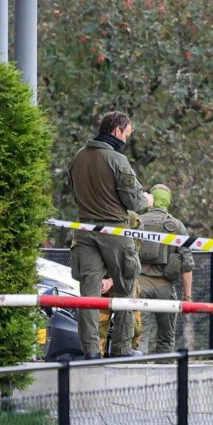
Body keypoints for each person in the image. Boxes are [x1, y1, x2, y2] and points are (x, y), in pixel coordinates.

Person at [68, 111, 152, 359]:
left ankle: (91, 351)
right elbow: (134, 200)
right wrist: (146, 199)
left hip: (84, 230)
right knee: (126, 288)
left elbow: (75, 194)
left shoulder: (78, 157)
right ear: (116, 131)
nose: (127, 139)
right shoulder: (117, 160)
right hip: (115, 230)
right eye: (127, 134)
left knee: (88, 294)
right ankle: (122, 348)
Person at [138, 184, 193, 355]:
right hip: (165, 288)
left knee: (140, 335)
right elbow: (187, 263)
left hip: (139, 285)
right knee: (166, 337)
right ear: (167, 201)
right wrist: (187, 296)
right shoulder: (176, 226)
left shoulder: (138, 221)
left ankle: (138, 374)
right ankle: (166, 373)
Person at [98, 211, 144, 356]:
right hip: (101, 280)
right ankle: (95, 354)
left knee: (130, 322)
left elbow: (131, 256)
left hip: (123, 279)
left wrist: (111, 280)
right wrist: (98, 279)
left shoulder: (132, 220)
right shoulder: (94, 216)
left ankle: (124, 352)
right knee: (98, 324)